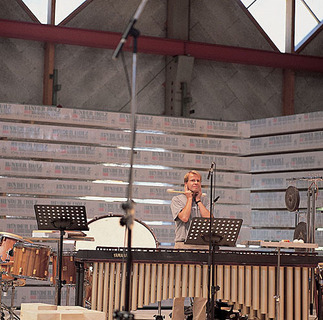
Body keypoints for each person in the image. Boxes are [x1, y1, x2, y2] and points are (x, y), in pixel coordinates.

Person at [171, 170, 211, 320]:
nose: (196, 183)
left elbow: (209, 220)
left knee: (202, 291)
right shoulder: (177, 199)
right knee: (180, 289)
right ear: (186, 184)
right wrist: (189, 199)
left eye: (198, 181)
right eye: (192, 180)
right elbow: (185, 217)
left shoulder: (204, 200)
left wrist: (199, 201)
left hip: (202, 247)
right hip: (183, 246)